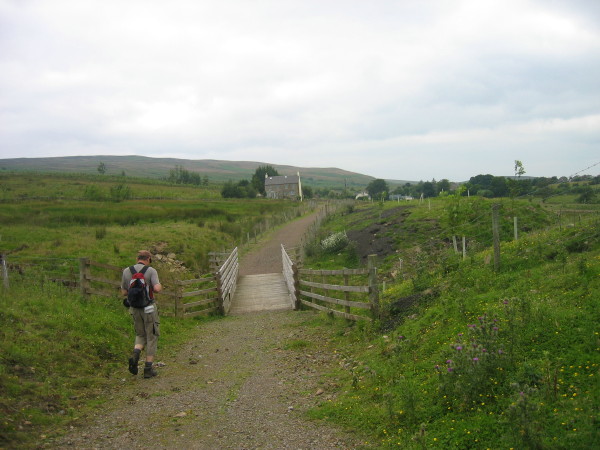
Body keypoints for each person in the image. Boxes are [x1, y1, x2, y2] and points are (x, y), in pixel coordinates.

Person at [121, 250, 162, 378]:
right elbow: (156, 289)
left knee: (140, 334)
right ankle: (148, 369)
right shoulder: (151, 271)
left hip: (134, 309)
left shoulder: (127, 271)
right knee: (151, 336)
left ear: (137, 258)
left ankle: (136, 353)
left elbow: (124, 292)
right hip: (148, 308)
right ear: (148, 258)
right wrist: (158, 285)